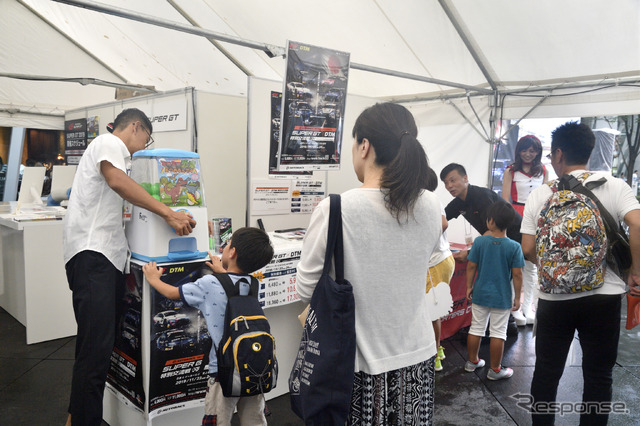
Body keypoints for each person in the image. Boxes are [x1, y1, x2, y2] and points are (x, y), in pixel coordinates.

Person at [296, 103, 443, 424]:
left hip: (356, 368)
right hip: (418, 359)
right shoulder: (431, 204)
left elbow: (306, 288)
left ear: (364, 146)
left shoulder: (335, 208)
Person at [63, 108, 196, 426]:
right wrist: (169, 213)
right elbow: (118, 182)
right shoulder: (109, 143)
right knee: (95, 353)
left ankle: (74, 419)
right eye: (146, 139)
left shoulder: (111, 152)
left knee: (94, 348)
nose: (144, 146)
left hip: (100, 258)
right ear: (135, 127)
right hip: (93, 256)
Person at [521, 121, 640, 425]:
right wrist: (635, 272)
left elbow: (527, 248)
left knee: (547, 374)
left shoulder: (542, 194)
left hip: (554, 298)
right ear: (588, 150)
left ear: (559, 153)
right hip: (605, 295)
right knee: (598, 376)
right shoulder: (615, 186)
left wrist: (556, 269)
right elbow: (638, 224)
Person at [142, 227, 274, 425]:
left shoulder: (209, 283)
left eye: (228, 244)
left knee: (219, 417)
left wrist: (153, 278)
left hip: (223, 369)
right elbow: (233, 290)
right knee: (254, 419)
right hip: (254, 366)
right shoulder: (252, 283)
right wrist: (223, 272)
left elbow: (172, 293)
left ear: (232, 252)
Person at [464, 200, 524, 380]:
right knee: (498, 332)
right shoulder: (514, 246)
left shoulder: (480, 242)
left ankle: (472, 362)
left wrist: (468, 286)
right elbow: (518, 274)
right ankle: (495, 370)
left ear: (490, 221)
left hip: (480, 293)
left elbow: (471, 266)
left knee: (476, 328)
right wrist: (518, 297)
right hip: (502, 296)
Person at [501, 135, 549, 326]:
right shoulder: (511, 171)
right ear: (518, 151)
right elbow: (505, 200)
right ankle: (514, 308)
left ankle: (528, 307)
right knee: (515, 265)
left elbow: (547, 198)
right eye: (524, 150)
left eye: (532, 150)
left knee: (532, 266)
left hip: (536, 219)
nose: (528, 154)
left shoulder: (543, 170)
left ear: (538, 152)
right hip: (515, 217)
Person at [425, 167, 455, 372]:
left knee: (432, 312)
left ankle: (435, 356)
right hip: (439, 261)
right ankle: (439, 348)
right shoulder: (430, 199)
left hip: (436, 263)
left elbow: (443, 224)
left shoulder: (428, 199)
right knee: (432, 310)